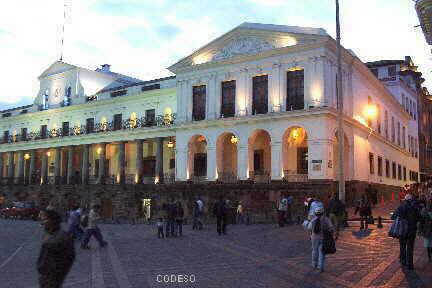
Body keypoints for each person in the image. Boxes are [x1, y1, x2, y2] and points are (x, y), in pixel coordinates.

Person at [38, 209, 75, 288]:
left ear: (52, 221)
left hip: (54, 276)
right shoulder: (47, 234)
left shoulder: (63, 237)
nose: (42, 222)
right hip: (44, 274)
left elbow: (69, 257)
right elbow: (43, 253)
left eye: (45, 219)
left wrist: (57, 273)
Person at [393, 194, 420, 270]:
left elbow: (393, 216)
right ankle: (410, 265)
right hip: (412, 230)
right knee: (410, 247)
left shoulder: (401, 206)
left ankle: (403, 261)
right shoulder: (414, 207)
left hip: (402, 230)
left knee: (402, 245)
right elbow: (419, 217)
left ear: (405, 199)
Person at [307, 207, 334, 273]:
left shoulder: (313, 220)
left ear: (315, 213)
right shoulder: (326, 219)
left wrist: (310, 235)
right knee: (322, 251)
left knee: (314, 250)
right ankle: (320, 266)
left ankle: (314, 264)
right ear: (323, 212)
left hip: (314, 237)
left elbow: (309, 228)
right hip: (323, 237)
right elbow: (331, 228)